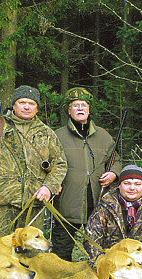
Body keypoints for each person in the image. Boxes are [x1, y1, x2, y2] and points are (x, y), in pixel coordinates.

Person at [0, 85, 67, 237]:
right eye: (22, 102)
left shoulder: (46, 133)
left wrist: (48, 187)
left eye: (32, 103)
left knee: (30, 255)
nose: (27, 107)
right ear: (14, 105)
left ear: (37, 108)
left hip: (33, 205)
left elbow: (60, 165)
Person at [52, 87, 122, 261]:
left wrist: (113, 173)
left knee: (99, 251)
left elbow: (116, 161)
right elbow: (46, 163)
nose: (80, 108)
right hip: (66, 206)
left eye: (83, 105)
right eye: (75, 105)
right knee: (61, 253)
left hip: (97, 205)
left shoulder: (104, 136)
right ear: (69, 111)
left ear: (89, 109)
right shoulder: (56, 136)